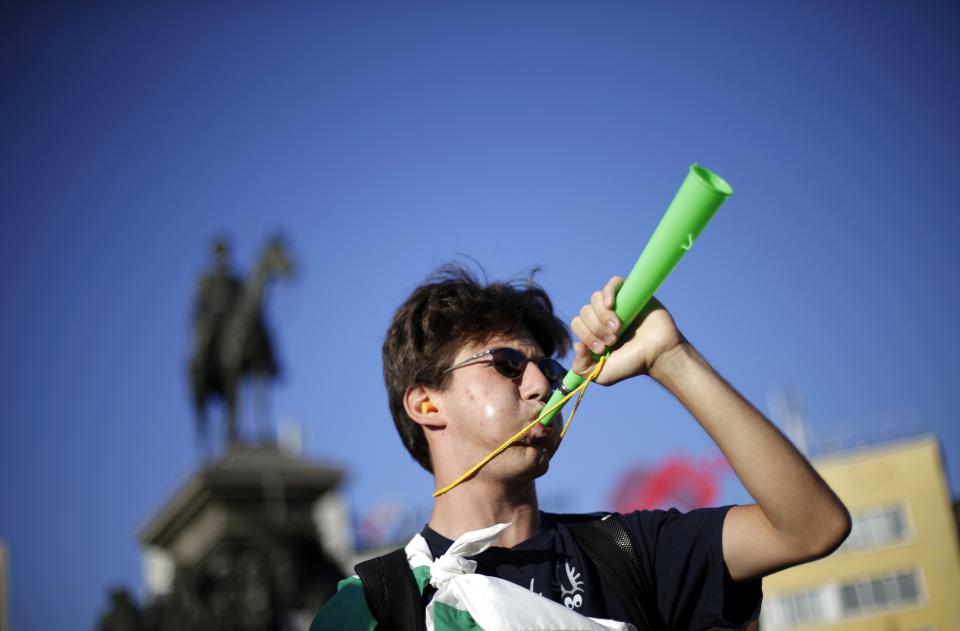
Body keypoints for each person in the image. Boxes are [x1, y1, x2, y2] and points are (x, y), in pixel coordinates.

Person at [311, 265, 851, 630]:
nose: (541, 385)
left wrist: (671, 357)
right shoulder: (371, 607)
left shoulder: (628, 551)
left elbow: (810, 527)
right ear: (427, 405)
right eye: (506, 365)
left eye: (546, 367)